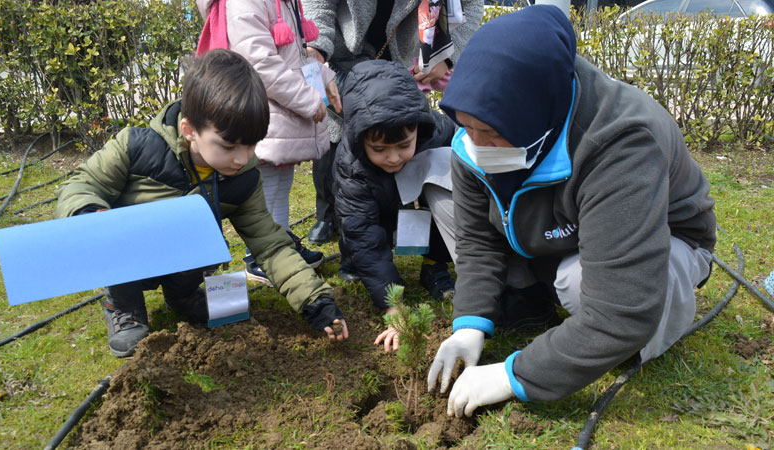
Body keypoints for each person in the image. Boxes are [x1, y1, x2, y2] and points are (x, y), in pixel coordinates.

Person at [426, 5, 716, 417]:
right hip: (558, 231)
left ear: (537, 117)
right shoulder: (482, 120)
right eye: (465, 125)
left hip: (660, 240)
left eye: (489, 133)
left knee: (578, 282)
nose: (474, 142)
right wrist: (470, 322)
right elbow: (477, 240)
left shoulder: (620, 142)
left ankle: (662, 308)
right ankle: (535, 297)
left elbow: (621, 311)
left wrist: (515, 375)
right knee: (449, 204)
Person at [55, 50, 349, 357]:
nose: (242, 158)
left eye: (251, 145)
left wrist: (315, 300)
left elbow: (270, 245)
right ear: (189, 131)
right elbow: (81, 184)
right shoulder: (135, 148)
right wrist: (88, 214)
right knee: (116, 237)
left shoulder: (243, 179)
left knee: (201, 230)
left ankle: (182, 296)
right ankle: (123, 304)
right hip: (128, 253)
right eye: (229, 146)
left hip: (185, 259)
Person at [301, 0, 484, 245]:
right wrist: (317, 47)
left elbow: (470, 5)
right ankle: (329, 213)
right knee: (336, 143)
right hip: (342, 52)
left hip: (401, 56)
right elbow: (318, 6)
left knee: (390, 139)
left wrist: (446, 56)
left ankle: (392, 219)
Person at [195, 0, 343, 285]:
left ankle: (280, 242)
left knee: (279, 181)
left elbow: (294, 54)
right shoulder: (245, 3)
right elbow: (260, 64)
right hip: (262, 109)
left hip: (278, 111)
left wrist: (323, 76)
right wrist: (307, 99)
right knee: (266, 185)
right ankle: (263, 255)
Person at [331, 59, 457, 350]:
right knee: (361, 239)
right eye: (379, 149)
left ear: (417, 129)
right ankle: (350, 260)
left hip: (414, 197)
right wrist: (393, 306)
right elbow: (362, 231)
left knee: (442, 196)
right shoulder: (352, 169)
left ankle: (434, 265)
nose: (393, 158)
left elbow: (459, 133)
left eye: (403, 145)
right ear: (360, 138)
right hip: (372, 201)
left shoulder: (433, 133)